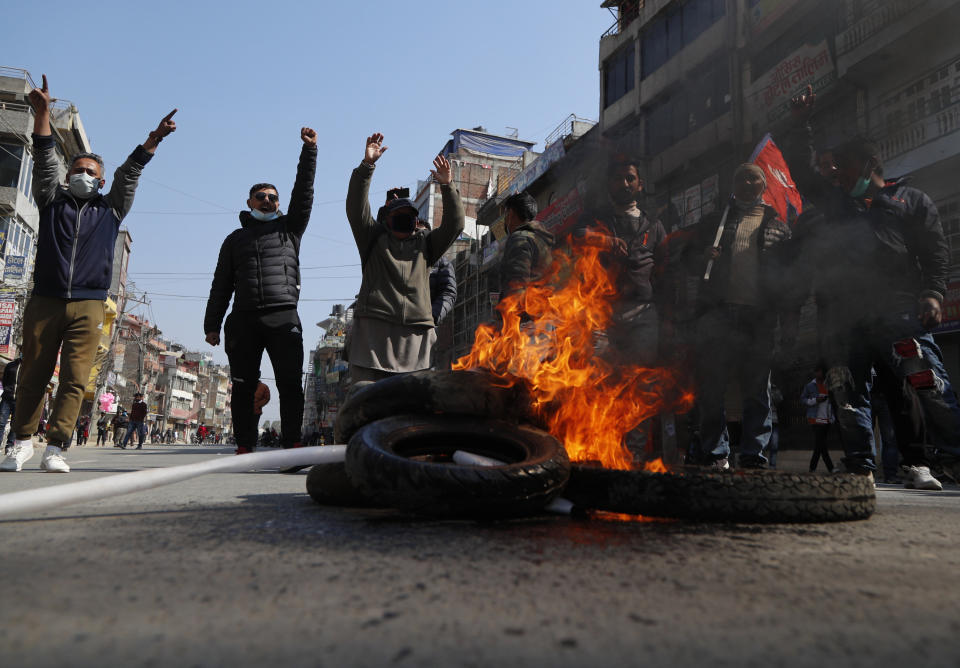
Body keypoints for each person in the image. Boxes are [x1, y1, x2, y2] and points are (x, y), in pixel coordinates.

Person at [785, 85, 960, 489]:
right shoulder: (836, 204)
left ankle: (923, 464)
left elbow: (935, 252)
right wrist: (800, 125)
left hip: (899, 314)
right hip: (846, 319)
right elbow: (801, 171)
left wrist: (932, 293)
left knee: (924, 384)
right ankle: (861, 465)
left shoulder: (910, 200)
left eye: (843, 168)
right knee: (847, 390)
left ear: (867, 165)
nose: (837, 176)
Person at [0, 75, 176, 474]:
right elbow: (45, 154)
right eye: (77, 168)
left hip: (90, 304)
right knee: (32, 375)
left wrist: (154, 139)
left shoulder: (111, 209)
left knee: (76, 380)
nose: (82, 174)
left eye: (90, 171)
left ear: (99, 180)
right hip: (45, 298)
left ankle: (56, 447)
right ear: (68, 176)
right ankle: (22, 443)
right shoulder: (50, 200)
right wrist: (42, 113)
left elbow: (129, 173)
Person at [204, 127, 317, 456]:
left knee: (290, 385)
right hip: (243, 320)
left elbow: (304, 191)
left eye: (272, 197)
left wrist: (309, 151)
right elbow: (221, 283)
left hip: (283, 316)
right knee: (242, 386)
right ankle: (244, 445)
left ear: (278, 204)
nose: (267, 200)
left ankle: (292, 445)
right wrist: (212, 324)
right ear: (249, 202)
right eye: (261, 197)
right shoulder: (234, 240)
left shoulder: (290, 230)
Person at [688, 163, 792, 470]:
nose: (747, 182)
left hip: (758, 318)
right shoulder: (714, 222)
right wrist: (702, 256)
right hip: (717, 314)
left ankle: (753, 455)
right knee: (711, 388)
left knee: (757, 390)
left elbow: (788, 276)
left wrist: (787, 318)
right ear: (732, 185)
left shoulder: (777, 225)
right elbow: (688, 262)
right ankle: (716, 454)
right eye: (741, 177)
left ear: (763, 185)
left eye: (753, 178)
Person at [344, 133, 464, 387]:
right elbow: (356, 207)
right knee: (365, 402)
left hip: (416, 338)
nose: (405, 218)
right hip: (373, 336)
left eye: (410, 214)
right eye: (398, 214)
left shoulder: (427, 245)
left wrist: (447, 185)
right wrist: (367, 166)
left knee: (412, 409)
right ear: (387, 218)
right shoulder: (372, 239)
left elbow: (455, 224)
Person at [498, 192, 554, 305]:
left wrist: (510, 314)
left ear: (511, 213)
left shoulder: (519, 238)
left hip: (527, 316)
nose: (505, 219)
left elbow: (517, 283)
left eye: (506, 213)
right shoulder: (540, 239)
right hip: (544, 311)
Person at [801, 364, 836, 473]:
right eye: (816, 371)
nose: (818, 374)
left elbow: (832, 402)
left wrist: (832, 417)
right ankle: (831, 468)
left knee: (820, 445)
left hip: (827, 419)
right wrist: (816, 400)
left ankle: (812, 469)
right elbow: (803, 399)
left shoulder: (829, 385)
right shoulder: (810, 386)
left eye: (819, 371)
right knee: (821, 444)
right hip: (815, 418)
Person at [0, 357, 21, 455]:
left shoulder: (28, 367)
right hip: (7, 398)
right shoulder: (10, 365)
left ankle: (10, 445)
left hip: (19, 400)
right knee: (1, 422)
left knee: (14, 425)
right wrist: (8, 390)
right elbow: (4, 380)